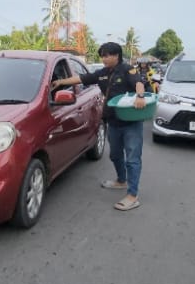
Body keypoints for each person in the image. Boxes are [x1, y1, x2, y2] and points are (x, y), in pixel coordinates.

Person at [52, 41, 150, 211]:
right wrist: (61, 82)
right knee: (115, 155)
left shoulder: (127, 69)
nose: (103, 58)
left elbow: (138, 82)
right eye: (102, 56)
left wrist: (140, 96)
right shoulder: (102, 73)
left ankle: (133, 195)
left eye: (106, 55)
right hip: (113, 121)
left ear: (116, 55)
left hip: (131, 123)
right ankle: (121, 180)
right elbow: (81, 78)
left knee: (133, 159)